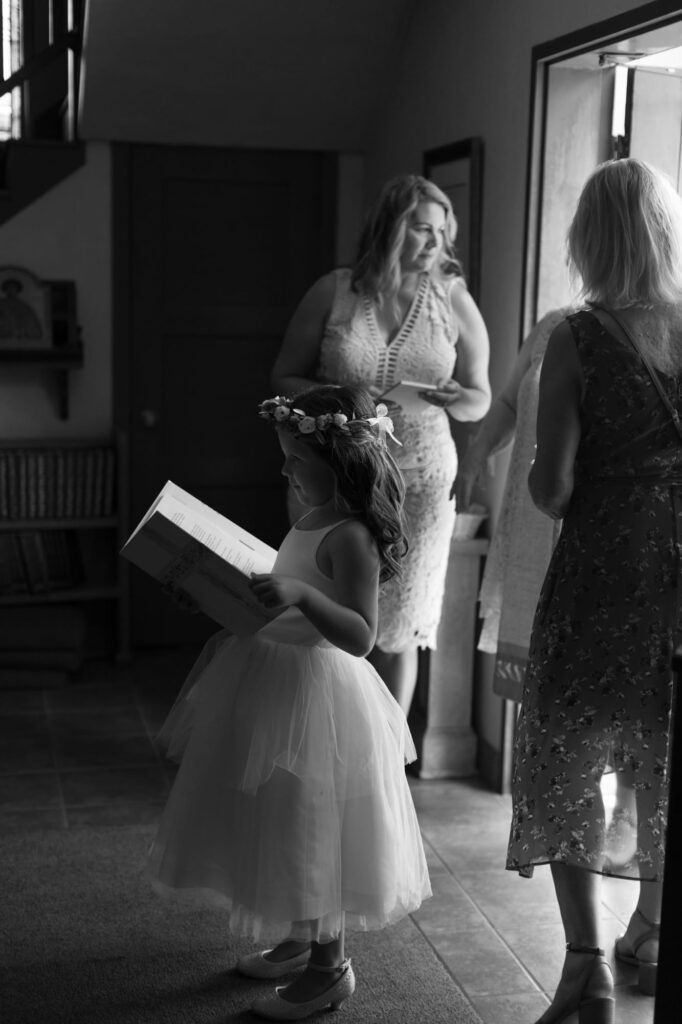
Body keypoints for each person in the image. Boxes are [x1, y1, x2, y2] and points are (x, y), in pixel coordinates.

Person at [148, 384, 431, 1021]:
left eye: (294, 460)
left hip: (321, 695)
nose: (283, 470)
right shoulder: (310, 519)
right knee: (282, 815)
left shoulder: (351, 536)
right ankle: (304, 938)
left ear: (337, 463)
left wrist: (299, 597)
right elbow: (282, 597)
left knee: (313, 821)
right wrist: (216, 593)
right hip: (274, 678)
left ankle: (331, 969)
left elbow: (361, 635)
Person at [506, 157, 681, 1024]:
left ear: (588, 238)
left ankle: (587, 967)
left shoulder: (579, 336)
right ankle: (650, 927)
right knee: (664, 745)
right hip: (679, 574)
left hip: (604, 572)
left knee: (565, 747)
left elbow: (554, 488)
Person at [271, 174, 491, 714]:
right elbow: (283, 377)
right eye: (421, 229)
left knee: (398, 624)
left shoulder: (453, 300)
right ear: (390, 228)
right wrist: (350, 398)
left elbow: (481, 399)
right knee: (327, 605)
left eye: (442, 232)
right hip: (334, 477)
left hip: (420, 478)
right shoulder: (335, 291)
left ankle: (384, 764)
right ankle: (327, 740)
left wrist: (457, 394)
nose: (435, 243)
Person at [454, 308, 570, 699]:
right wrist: (475, 456)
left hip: (582, 522)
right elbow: (508, 403)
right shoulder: (556, 323)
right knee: (531, 689)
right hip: (529, 518)